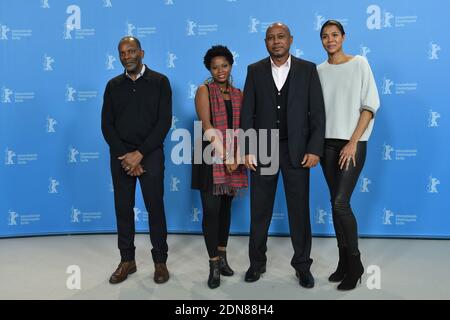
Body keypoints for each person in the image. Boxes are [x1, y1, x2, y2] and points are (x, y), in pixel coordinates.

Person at [241, 23, 325, 288]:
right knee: (259, 210)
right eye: (271, 38)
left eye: (281, 37)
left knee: (299, 211)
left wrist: (314, 149)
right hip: (263, 146)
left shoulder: (307, 69)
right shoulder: (254, 70)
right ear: (265, 42)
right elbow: (247, 113)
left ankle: (302, 266)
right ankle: (256, 263)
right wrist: (247, 148)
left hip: (297, 150)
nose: (276, 41)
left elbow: (318, 113)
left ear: (291, 39)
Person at [101, 36, 172, 285]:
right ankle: (127, 261)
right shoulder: (112, 85)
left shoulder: (160, 82)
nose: (126, 56)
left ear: (141, 53)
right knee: (123, 209)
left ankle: (160, 262)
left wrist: (140, 154)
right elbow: (106, 125)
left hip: (150, 155)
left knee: (155, 208)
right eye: (122, 53)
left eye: (131, 51)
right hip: (121, 158)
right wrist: (125, 155)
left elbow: (163, 122)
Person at [317, 20, 380, 290]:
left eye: (334, 35)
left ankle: (355, 264)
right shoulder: (318, 71)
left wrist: (353, 142)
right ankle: (343, 261)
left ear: (343, 37)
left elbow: (370, 104)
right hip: (326, 144)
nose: (330, 40)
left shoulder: (359, 64)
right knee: (334, 202)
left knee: (342, 202)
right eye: (324, 36)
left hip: (352, 143)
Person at [192, 45, 248, 289]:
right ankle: (213, 264)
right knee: (211, 211)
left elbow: (242, 129)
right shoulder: (204, 90)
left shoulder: (239, 93)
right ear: (209, 69)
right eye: (215, 67)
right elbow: (206, 124)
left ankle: (223, 257)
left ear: (231, 65)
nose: (220, 70)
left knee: (225, 211)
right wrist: (225, 156)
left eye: (224, 65)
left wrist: (236, 156)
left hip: (233, 157)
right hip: (209, 156)